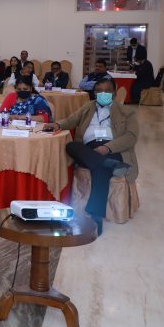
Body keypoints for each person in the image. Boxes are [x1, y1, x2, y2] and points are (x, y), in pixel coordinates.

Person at [43, 78, 137, 235]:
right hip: (88, 148)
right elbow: (71, 120)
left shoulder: (126, 112)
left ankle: (96, 216)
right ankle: (109, 165)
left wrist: (107, 148)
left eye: (107, 91)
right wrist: (58, 124)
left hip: (113, 149)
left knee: (100, 168)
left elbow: (131, 136)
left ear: (114, 93)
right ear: (94, 93)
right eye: (99, 91)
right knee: (71, 146)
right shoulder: (88, 107)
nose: (103, 94)